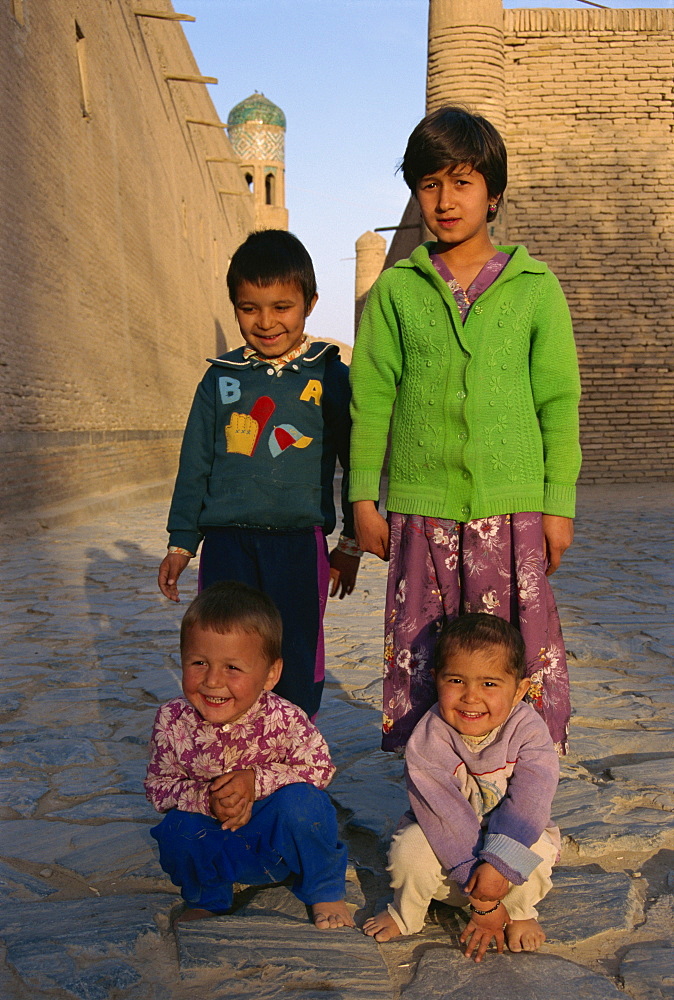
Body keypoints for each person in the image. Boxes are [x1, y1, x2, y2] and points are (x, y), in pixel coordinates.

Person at [349, 105, 581, 754]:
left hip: (511, 519)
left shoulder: (536, 289)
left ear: (493, 193)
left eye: (461, 181)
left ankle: (518, 795)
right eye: (428, 184)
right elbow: (373, 399)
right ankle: (434, 798)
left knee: (517, 652)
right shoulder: (397, 292)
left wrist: (557, 507)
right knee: (427, 656)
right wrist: (364, 498)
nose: (444, 200)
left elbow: (559, 404)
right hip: (423, 516)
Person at [158, 229, 360, 719]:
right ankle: (230, 754)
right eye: (250, 308)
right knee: (226, 653)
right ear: (234, 307)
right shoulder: (220, 378)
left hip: (298, 543)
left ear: (310, 303)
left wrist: (351, 542)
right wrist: (182, 541)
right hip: (228, 543)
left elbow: (357, 459)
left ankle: (290, 755)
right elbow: (196, 462)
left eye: (281, 307)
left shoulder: (329, 375)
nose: (266, 323)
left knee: (295, 651)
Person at [145, 580, 355, 930]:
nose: (213, 681)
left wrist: (256, 782)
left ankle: (323, 889)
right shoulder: (172, 720)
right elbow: (158, 787)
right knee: (176, 829)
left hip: (278, 843)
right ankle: (207, 896)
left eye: (232, 668)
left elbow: (319, 767)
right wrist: (205, 800)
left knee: (306, 804)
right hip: (216, 840)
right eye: (198, 662)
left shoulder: (285, 718)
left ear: (270, 674)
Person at [363, 614, 560, 962]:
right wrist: (482, 901)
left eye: (489, 684)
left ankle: (519, 911)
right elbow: (442, 814)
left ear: (519, 691)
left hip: (507, 865)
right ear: (437, 680)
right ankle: (406, 914)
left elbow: (531, 798)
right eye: (456, 680)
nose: (471, 697)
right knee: (410, 848)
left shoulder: (529, 730)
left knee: (540, 848)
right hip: (453, 859)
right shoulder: (428, 738)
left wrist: (499, 867)